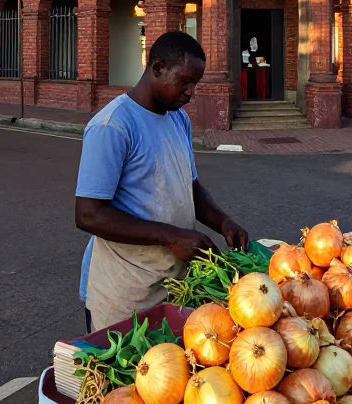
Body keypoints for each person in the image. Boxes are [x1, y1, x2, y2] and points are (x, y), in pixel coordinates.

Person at [75, 30, 248, 332]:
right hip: (124, 292)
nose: (190, 92)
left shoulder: (178, 119)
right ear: (157, 68)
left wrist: (223, 221)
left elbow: (190, 186)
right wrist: (171, 236)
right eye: (184, 82)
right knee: (128, 375)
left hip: (174, 284)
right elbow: (88, 214)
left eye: (195, 84)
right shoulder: (112, 125)